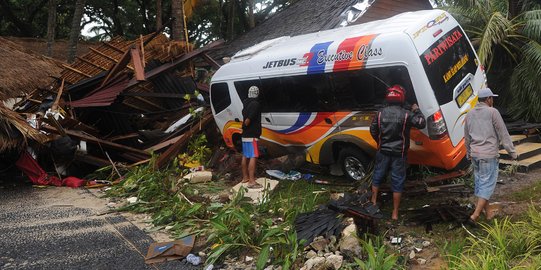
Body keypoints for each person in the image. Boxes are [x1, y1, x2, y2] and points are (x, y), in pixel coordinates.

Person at [370, 85, 426, 220]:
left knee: (377, 176)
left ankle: (373, 202)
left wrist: (380, 143)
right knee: (397, 181)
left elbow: (373, 130)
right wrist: (417, 109)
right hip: (399, 154)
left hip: (382, 151)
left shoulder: (380, 113)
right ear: (401, 97)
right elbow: (421, 122)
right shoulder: (406, 114)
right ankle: (395, 213)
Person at [464, 88, 517, 222]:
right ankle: (475, 215)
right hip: (488, 155)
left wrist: (468, 153)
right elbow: (503, 133)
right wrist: (512, 152)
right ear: (488, 99)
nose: (492, 100)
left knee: (482, 184)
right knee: (487, 186)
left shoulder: (469, 114)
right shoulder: (493, 112)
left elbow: (466, 137)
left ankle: (488, 214)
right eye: (491, 98)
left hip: (475, 155)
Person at [241, 86, 263, 189]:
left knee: (245, 155)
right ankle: (252, 181)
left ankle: (245, 177)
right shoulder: (255, 104)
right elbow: (248, 120)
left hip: (245, 135)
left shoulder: (245, 103)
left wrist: (244, 128)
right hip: (252, 135)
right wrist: (245, 125)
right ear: (257, 93)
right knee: (253, 156)